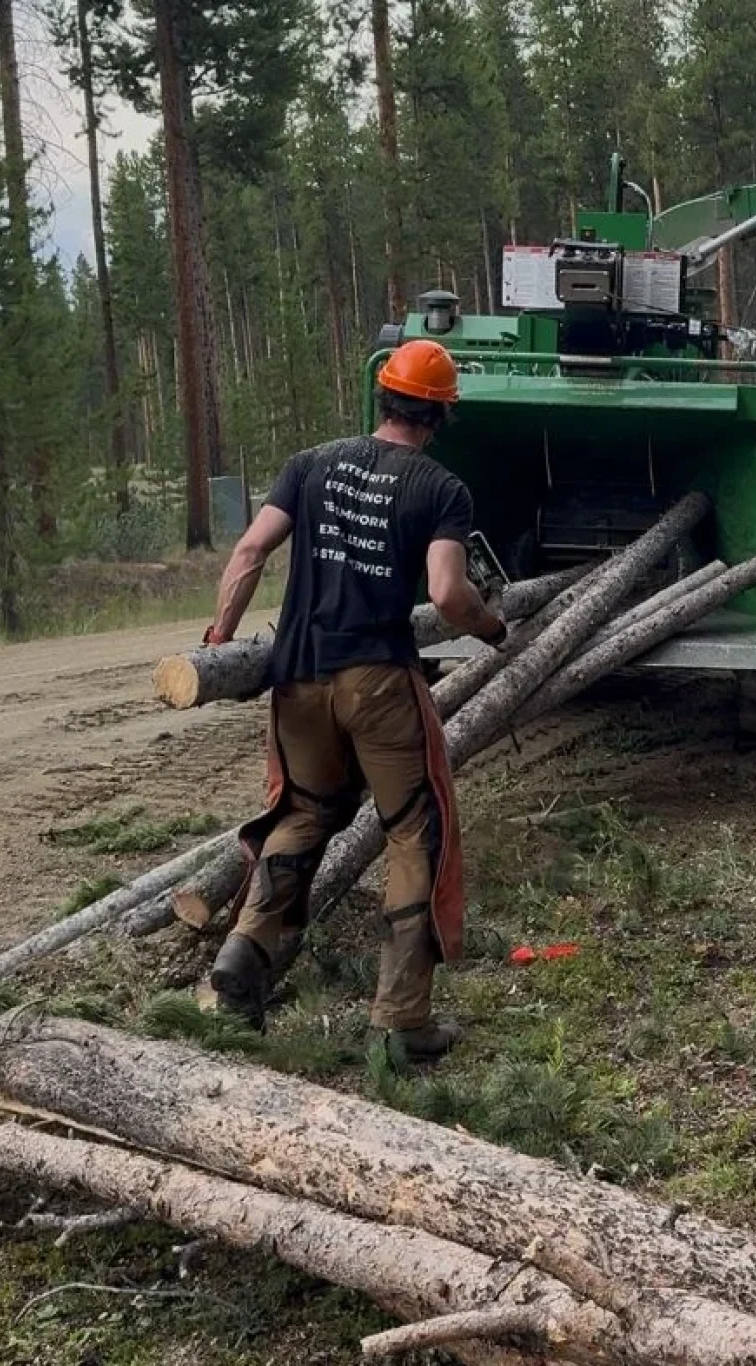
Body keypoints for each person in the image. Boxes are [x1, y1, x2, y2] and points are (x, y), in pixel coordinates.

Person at [202, 338, 506, 1056]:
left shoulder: (308, 465)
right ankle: (402, 1022)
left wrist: (219, 642)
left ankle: (242, 954)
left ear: (383, 398)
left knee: (305, 812)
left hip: (298, 676)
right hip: (377, 681)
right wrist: (493, 628)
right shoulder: (440, 489)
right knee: (413, 830)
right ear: (440, 415)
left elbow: (249, 554)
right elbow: (446, 592)